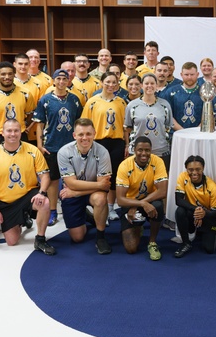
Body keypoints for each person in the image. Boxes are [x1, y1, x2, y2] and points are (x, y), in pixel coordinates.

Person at [0, 118, 55, 255]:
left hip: (28, 194)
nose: (12, 134)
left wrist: (42, 193)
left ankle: (40, 239)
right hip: (7, 202)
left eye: (16, 131)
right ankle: (22, 219)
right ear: (2, 133)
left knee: (44, 202)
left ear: (21, 132)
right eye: (9, 131)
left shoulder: (32, 150)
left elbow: (45, 176)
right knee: (12, 241)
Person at [33, 69, 84, 226]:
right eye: (59, 78)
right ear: (53, 81)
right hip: (52, 147)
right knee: (54, 181)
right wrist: (40, 145)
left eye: (65, 79)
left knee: (73, 180)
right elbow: (39, 124)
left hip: (71, 147)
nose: (61, 81)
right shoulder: (45, 100)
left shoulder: (74, 100)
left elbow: (79, 123)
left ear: (69, 81)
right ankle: (53, 210)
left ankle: (75, 209)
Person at [57, 118, 112, 252]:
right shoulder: (64, 152)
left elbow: (103, 185)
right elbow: (71, 183)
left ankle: (100, 237)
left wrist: (76, 192)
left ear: (94, 133)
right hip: (77, 191)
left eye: (88, 134)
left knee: (100, 198)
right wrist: (76, 189)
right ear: (74, 135)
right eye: (81, 134)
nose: (85, 138)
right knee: (78, 238)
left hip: (87, 193)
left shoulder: (103, 152)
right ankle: (87, 215)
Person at [114, 137, 168, 259]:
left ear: (151, 150)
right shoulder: (125, 166)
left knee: (158, 206)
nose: (144, 153)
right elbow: (120, 199)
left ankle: (152, 242)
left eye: (147, 150)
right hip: (130, 204)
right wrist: (138, 205)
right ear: (134, 150)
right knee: (131, 248)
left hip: (150, 200)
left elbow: (163, 191)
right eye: (140, 150)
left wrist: (142, 203)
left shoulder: (158, 162)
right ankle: (138, 226)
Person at [82, 73, 128, 207]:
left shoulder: (121, 102)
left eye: (114, 82)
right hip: (98, 142)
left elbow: (125, 126)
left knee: (113, 176)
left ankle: (110, 206)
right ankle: (97, 205)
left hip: (117, 142)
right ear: (102, 82)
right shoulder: (92, 101)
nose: (111, 85)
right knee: (97, 175)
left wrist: (126, 144)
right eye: (108, 82)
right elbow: (85, 124)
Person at [0, 61, 36, 146]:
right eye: (3, 74)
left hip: (20, 134)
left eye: (10, 74)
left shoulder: (26, 93)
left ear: (14, 75)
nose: (7, 77)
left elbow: (31, 113)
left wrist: (24, 125)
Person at [173, 155, 216, 258]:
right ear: (186, 169)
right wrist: (196, 210)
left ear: (203, 169)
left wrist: (203, 213)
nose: (194, 172)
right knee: (180, 211)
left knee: (210, 250)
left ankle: (206, 233)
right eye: (190, 169)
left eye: (198, 169)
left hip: (208, 217)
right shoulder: (183, 177)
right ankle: (186, 243)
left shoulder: (212, 186)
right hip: (193, 213)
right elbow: (178, 200)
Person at [124, 73, 173, 169]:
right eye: (146, 83)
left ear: (156, 85)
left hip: (161, 151)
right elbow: (128, 128)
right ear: (142, 85)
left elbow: (168, 126)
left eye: (152, 83)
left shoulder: (165, 105)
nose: (149, 86)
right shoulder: (132, 105)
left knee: (160, 181)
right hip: (137, 152)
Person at [165, 61, 204, 129]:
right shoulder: (171, 92)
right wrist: (182, 131)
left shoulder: (204, 92)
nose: (189, 77)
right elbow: (168, 115)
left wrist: (197, 131)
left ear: (197, 74)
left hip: (199, 134)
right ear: (181, 74)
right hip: (176, 134)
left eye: (192, 74)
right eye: (186, 74)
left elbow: (207, 115)